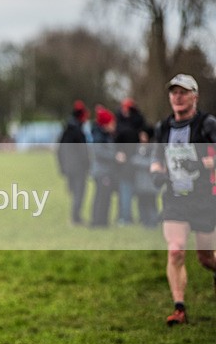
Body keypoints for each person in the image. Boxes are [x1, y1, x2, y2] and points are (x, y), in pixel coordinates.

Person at [149, 74, 216, 326]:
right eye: (174, 92)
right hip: (175, 199)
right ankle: (179, 307)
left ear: (194, 96)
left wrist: (200, 162)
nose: (177, 97)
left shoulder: (207, 124)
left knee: (206, 257)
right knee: (175, 250)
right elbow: (156, 158)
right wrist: (156, 174)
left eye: (183, 92)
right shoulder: (163, 128)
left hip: (204, 199)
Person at [114, 97, 148, 225]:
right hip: (125, 164)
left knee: (138, 191)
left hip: (136, 162)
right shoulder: (122, 124)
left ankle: (140, 217)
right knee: (125, 191)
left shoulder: (135, 124)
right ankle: (125, 217)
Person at [57, 100, 90, 225]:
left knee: (74, 192)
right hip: (78, 168)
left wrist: (62, 167)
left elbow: (59, 150)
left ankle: (75, 216)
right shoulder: (78, 132)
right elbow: (83, 151)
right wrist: (87, 164)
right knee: (79, 192)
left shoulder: (66, 131)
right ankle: (75, 218)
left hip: (68, 167)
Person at [89, 105, 118, 228]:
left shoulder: (105, 135)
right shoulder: (99, 136)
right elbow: (99, 152)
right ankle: (98, 222)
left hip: (105, 171)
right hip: (102, 172)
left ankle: (102, 221)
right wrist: (115, 156)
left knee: (104, 196)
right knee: (101, 197)